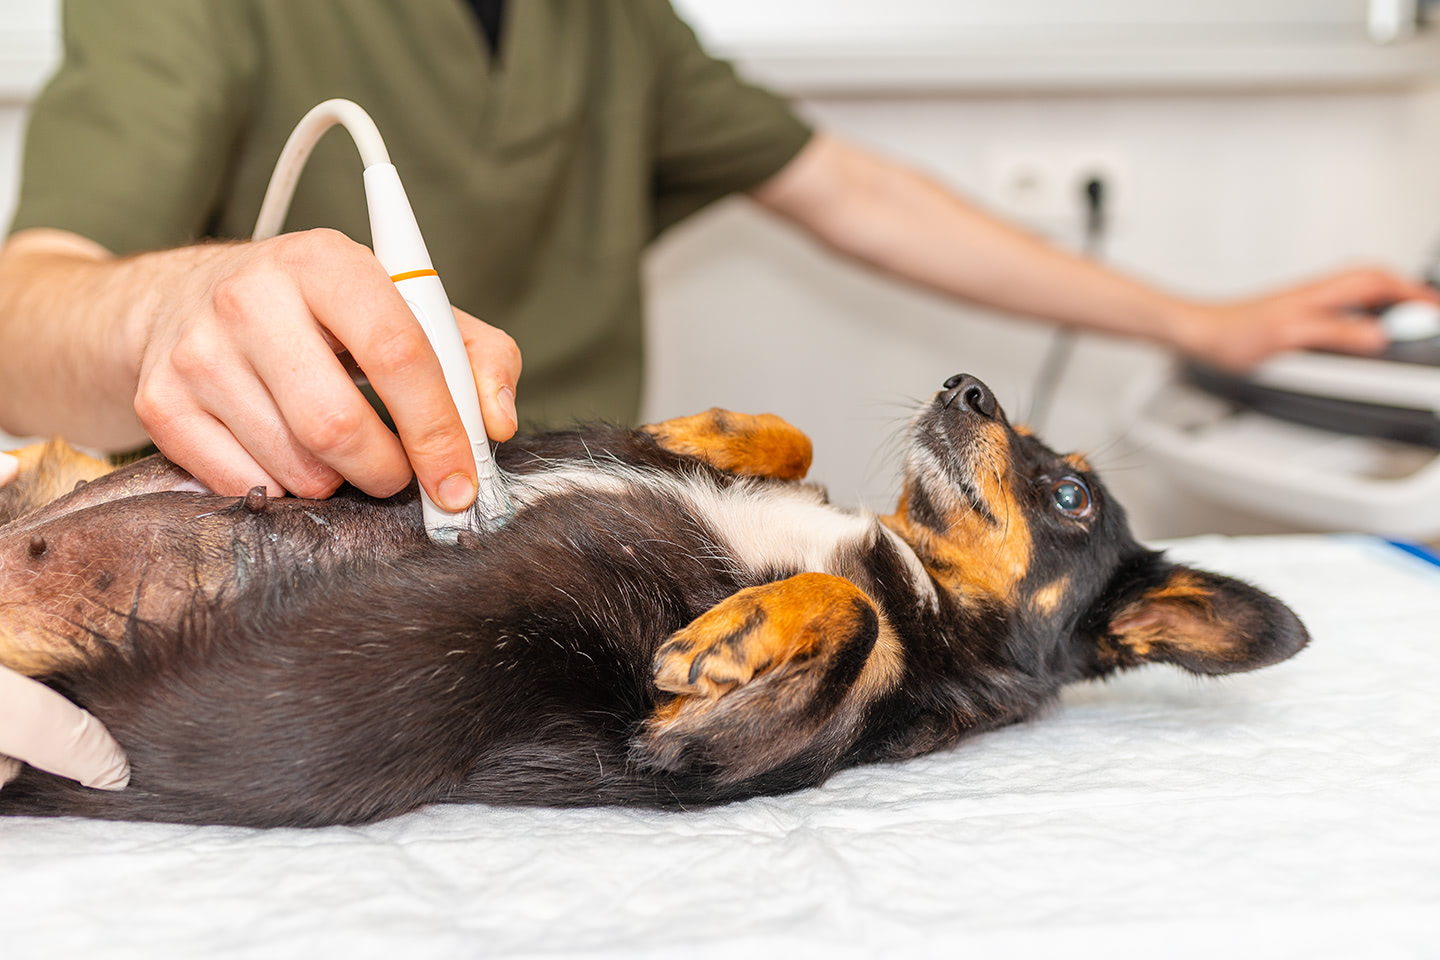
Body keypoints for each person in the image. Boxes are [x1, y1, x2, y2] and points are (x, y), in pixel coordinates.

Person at [1, 0, 1435, 790]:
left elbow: (856, 192)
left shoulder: (617, 25)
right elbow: (27, 304)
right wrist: (147, 307)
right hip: (208, 560)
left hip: (562, 602)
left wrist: (1203, 319)